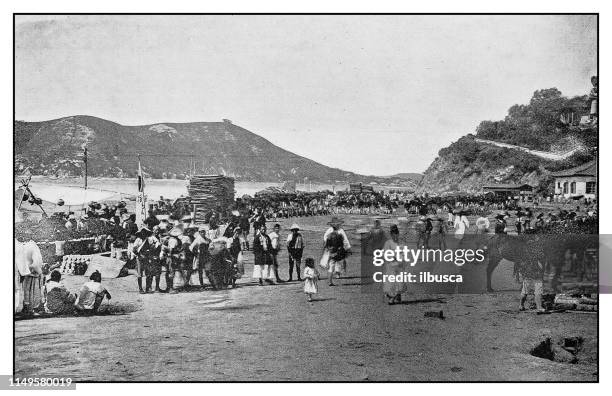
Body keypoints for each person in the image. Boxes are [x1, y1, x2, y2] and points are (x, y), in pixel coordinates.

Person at [517, 237, 545, 312]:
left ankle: (521, 305)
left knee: (525, 291)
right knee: (538, 291)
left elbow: (520, 266)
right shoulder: (537, 254)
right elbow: (540, 265)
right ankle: (539, 307)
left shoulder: (523, 255)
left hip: (527, 275)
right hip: (536, 274)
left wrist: (521, 274)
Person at [323, 217, 351, 286]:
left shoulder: (329, 231)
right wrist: (348, 248)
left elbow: (325, 239)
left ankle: (330, 281)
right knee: (339, 261)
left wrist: (328, 247)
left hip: (332, 251)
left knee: (331, 265)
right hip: (339, 250)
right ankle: (338, 273)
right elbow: (345, 240)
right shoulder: (340, 232)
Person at [382, 224, 407, 305]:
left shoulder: (401, 243)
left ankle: (396, 296)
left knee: (398, 282)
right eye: (393, 234)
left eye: (396, 234)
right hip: (391, 265)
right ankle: (393, 296)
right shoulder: (388, 243)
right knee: (391, 282)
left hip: (398, 265)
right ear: (391, 234)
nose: (395, 236)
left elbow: (403, 253)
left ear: (398, 234)